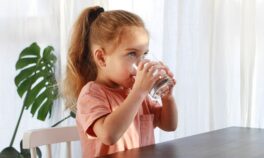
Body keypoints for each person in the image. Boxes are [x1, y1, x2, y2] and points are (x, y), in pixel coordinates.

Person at [63, 6, 178, 157]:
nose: (141, 63)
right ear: (102, 58)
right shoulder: (92, 94)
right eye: (132, 54)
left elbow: (169, 125)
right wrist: (138, 93)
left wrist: (167, 98)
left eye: (145, 54)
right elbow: (109, 135)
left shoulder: (136, 92)